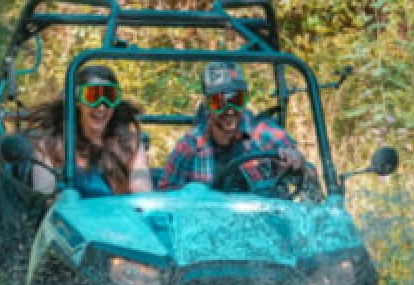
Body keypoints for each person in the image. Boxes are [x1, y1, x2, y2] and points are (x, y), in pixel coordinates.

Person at [158, 61, 304, 191]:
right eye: (219, 102)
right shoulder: (189, 146)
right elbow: (166, 197)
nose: (229, 110)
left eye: (237, 100)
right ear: (207, 105)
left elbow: (304, 180)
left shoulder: (267, 135)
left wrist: (294, 162)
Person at [26, 64, 152, 196]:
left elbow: (143, 195)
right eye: (92, 97)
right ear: (77, 101)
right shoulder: (51, 145)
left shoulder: (129, 145)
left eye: (110, 97)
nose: (101, 107)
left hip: (117, 214)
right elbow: (43, 197)